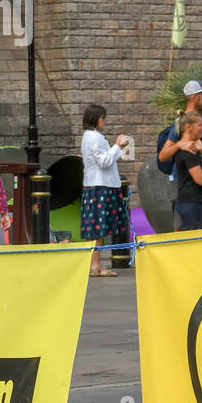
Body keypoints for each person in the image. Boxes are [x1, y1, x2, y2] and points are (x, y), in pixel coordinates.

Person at [80, 103, 130, 277]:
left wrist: (116, 149)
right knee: (97, 228)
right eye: (103, 117)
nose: (105, 121)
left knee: (95, 228)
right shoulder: (95, 138)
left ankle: (94, 265)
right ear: (95, 119)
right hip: (100, 185)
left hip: (94, 184)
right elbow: (105, 162)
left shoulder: (89, 136)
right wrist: (118, 146)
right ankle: (95, 266)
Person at [158, 79, 202, 173]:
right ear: (196, 97)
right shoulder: (181, 122)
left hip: (199, 177)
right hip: (181, 182)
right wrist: (179, 145)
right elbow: (162, 156)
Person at [173, 111, 202, 230]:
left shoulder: (194, 149)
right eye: (200, 125)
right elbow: (200, 180)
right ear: (188, 127)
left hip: (195, 201)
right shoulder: (188, 152)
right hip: (190, 202)